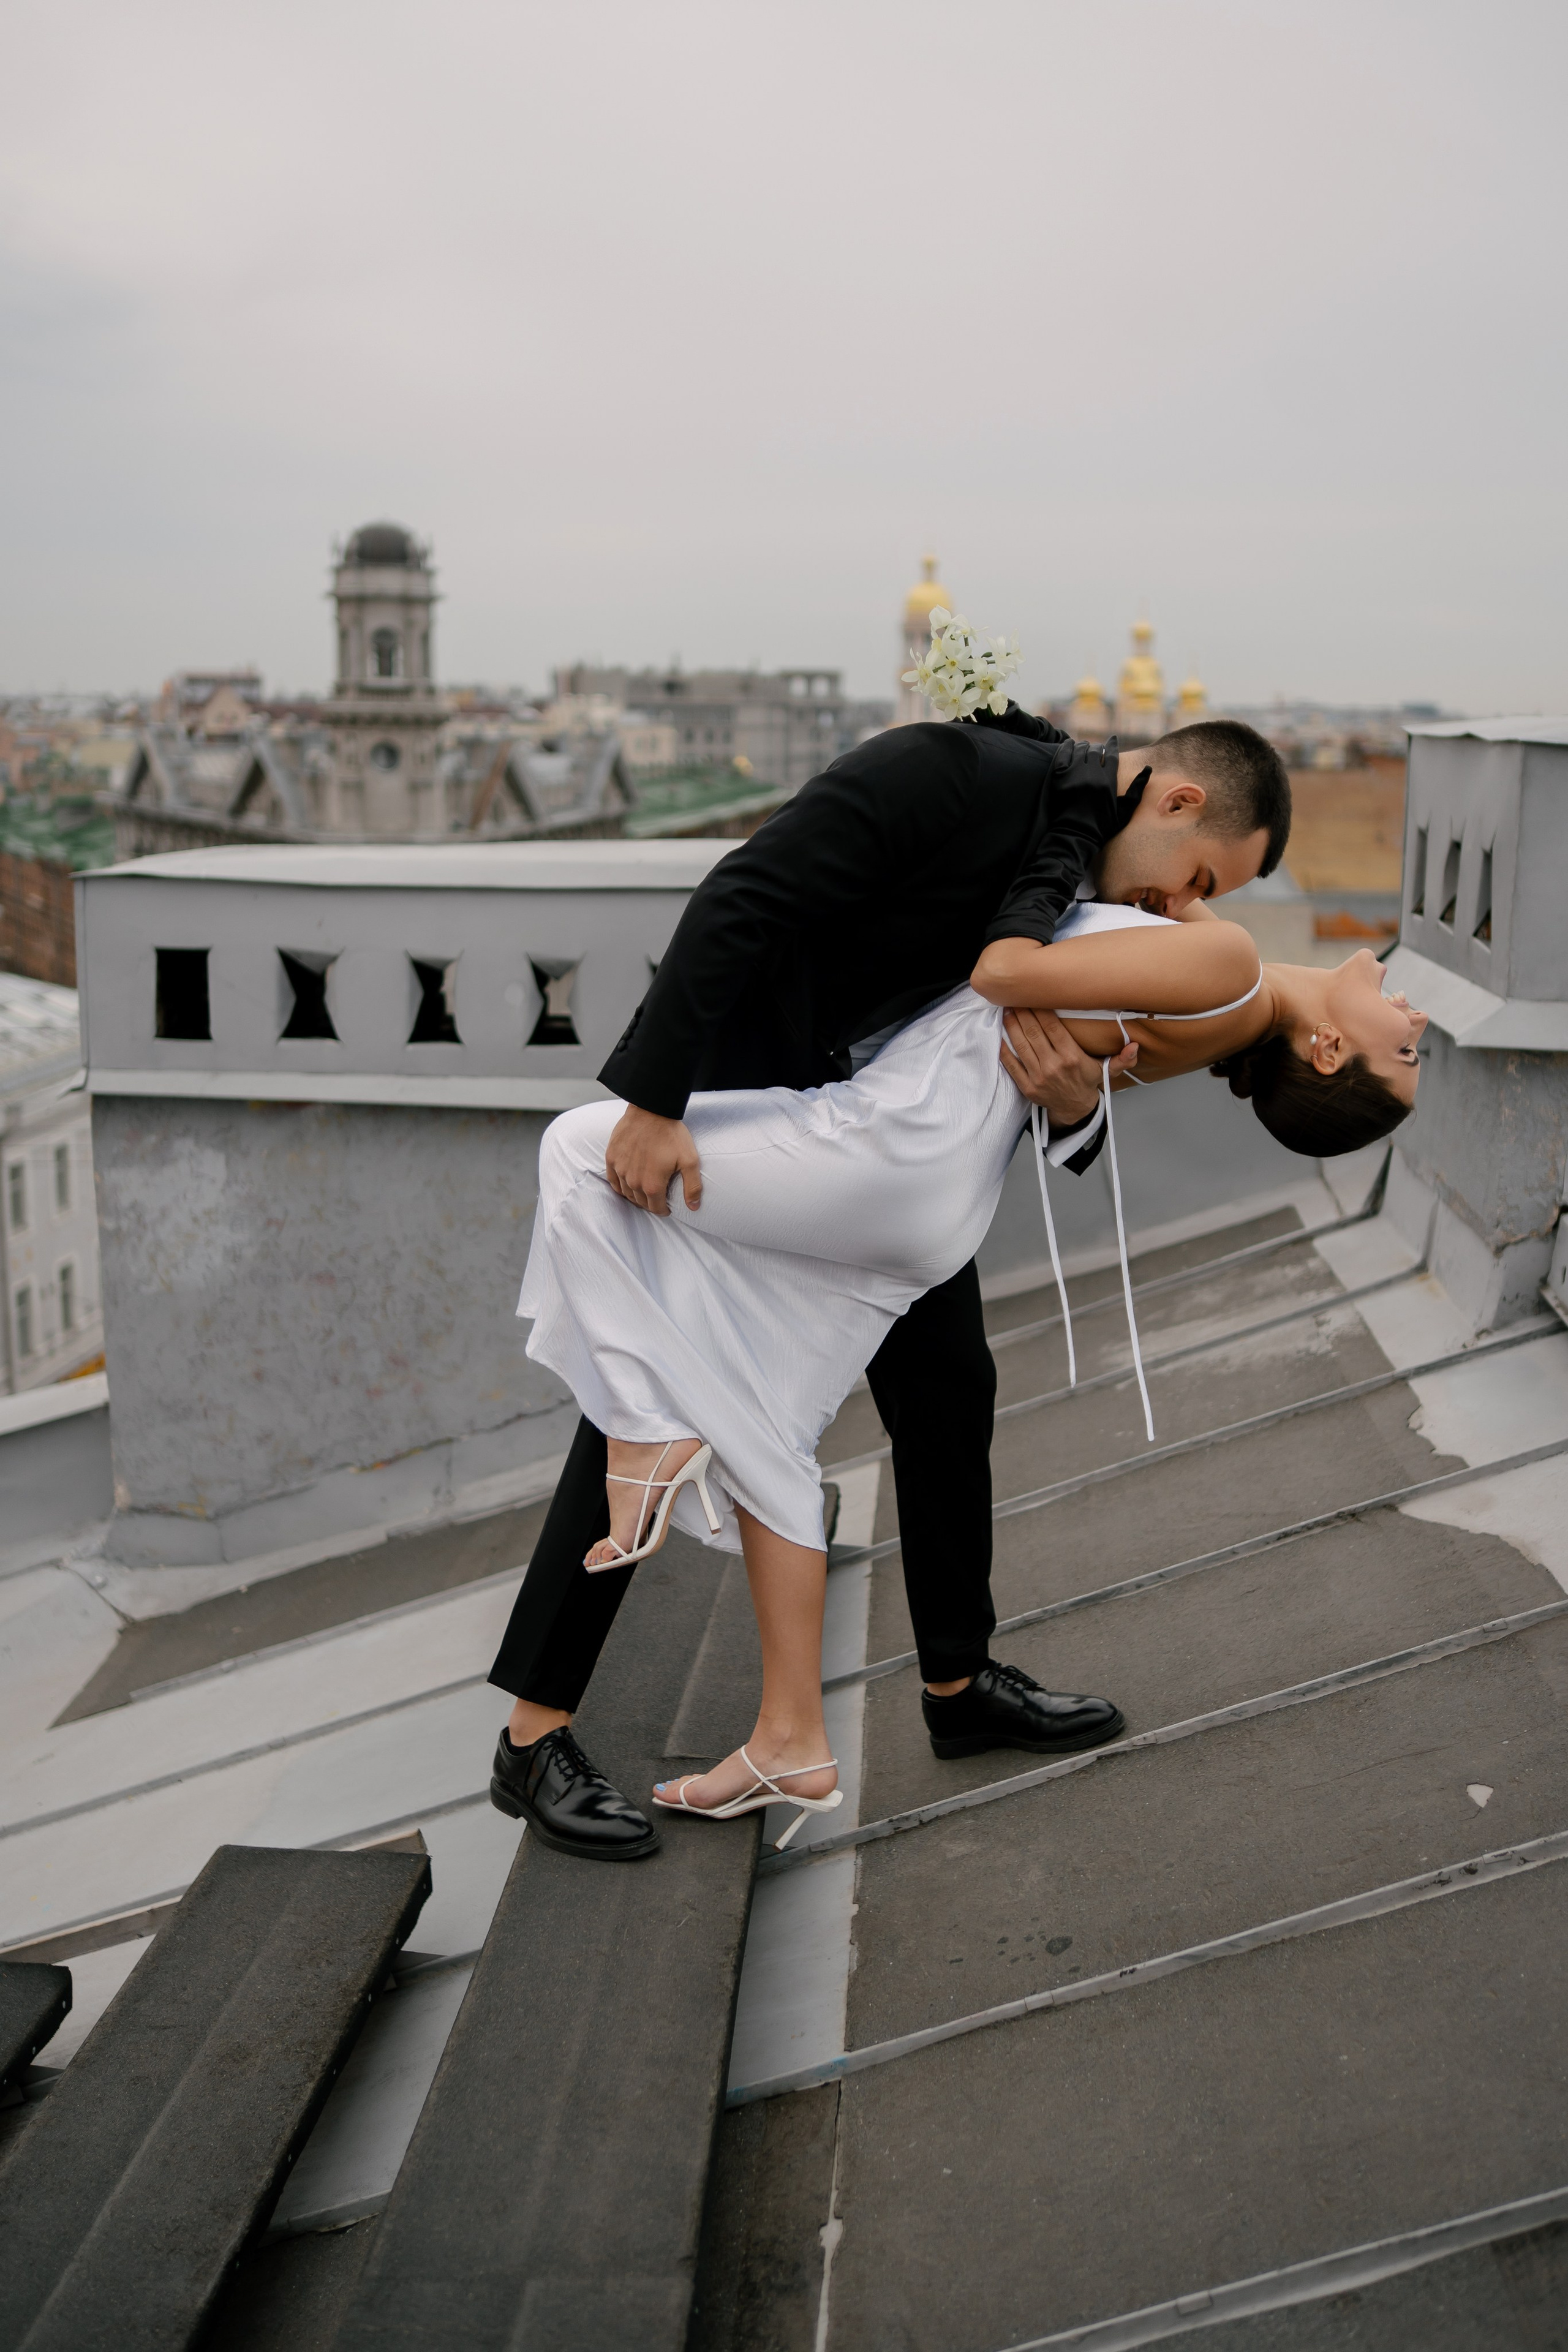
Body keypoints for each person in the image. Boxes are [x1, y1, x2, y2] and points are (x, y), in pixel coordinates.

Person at [487, 709, 1292, 1860]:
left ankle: (958, 1687)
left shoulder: (1083, 876)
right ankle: (534, 1734)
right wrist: (657, 1104)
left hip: (885, 1155)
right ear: (1173, 802)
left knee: (951, 1388)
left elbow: (1021, 1059)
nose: (1182, 910)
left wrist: (1071, 1105)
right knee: (646, 1401)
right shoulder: (948, 772)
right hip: (758, 1097)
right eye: (1201, 877)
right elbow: (742, 895)